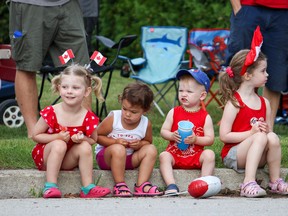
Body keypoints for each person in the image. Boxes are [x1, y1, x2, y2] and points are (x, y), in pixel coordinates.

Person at [9, 0, 90, 138]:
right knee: (26, 66)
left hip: (69, 4)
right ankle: (34, 132)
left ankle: (85, 129)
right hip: (29, 4)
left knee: (81, 70)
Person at [31, 64, 110, 198]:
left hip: (68, 159)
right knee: (59, 144)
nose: (69, 91)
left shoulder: (88, 117)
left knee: (85, 146)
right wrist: (57, 137)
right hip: (46, 156)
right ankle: (50, 186)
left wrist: (82, 139)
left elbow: (93, 140)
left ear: (86, 91)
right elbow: (35, 135)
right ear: (59, 87)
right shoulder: (52, 112)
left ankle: (87, 187)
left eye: (75, 88)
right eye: (65, 87)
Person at [219, 47, 288, 198]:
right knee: (260, 137)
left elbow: (267, 134)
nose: (267, 74)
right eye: (263, 71)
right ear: (248, 75)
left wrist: (266, 130)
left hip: (256, 152)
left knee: (273, 137)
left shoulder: (265, 103)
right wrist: (251, 133)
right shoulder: (235, 103)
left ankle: (275, 181)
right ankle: (248, 183)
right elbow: (224, 136)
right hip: (234, 155)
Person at [227, 0, 288, 129]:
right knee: (240, 70)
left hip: (283, 11)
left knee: (276, 75)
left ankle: (266, 131)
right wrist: (238, 10)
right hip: (248, 8)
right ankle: (235, 128)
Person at [95, 82, 163, 197]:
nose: (127, 114)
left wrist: (140, 144)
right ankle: (120, 184)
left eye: (133, 112)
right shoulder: (114, 118)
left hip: (129, 159)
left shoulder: (146, 124)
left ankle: (142, 185)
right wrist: (115, 142)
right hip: (107, 159)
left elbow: (147, 142)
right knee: (118, 149)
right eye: (124, 109)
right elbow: (97, 136)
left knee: (151, 149)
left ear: (145, 110)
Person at [159, 69, 215, 196]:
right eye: (181, 91)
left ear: (202, 96)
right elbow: (163, 131)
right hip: (175, 154)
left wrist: (196, 140)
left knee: (210, 155)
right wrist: (172, 135)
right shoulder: (174, 112)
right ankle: (171, 185)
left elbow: (210, 139)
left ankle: (203, 183)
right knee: (164, 156)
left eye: (189, 91)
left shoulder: (205, 117)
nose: (184, 94)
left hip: (196, 155)